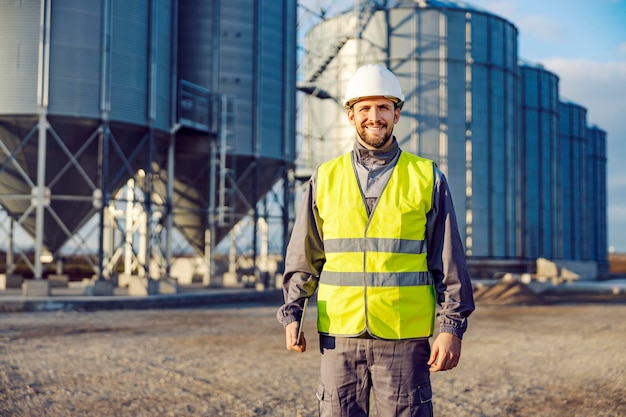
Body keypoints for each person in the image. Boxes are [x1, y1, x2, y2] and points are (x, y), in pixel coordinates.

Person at [277, 63, 475, 417]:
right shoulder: (324, 178)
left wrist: (451, 328)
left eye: (383, 107)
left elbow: (448, 261)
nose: (374, 116)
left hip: (403, 338)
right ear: (351, 115)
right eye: (364, 108)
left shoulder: (426, 177)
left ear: (396, 114)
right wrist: (292, 312)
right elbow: (304, 255)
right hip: (339, 337)